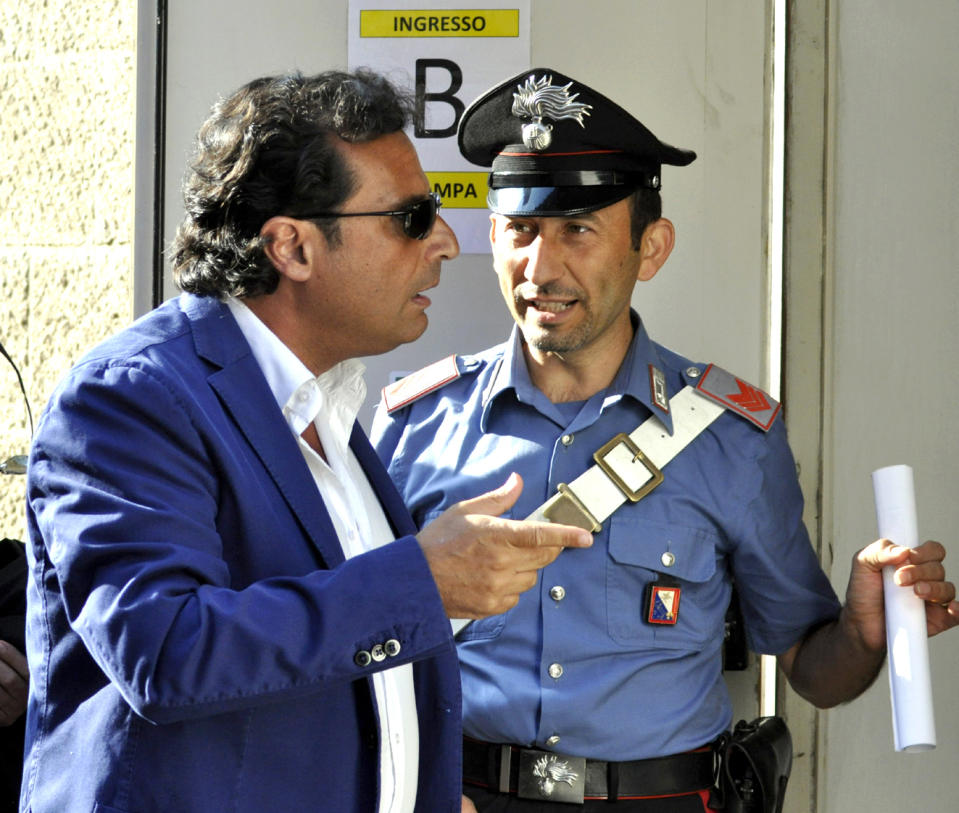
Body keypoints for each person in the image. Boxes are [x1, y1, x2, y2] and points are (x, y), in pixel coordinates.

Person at [371, 68, 959, 812]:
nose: (540, 268)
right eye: (521, 230)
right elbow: (350, 643)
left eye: (578, 231)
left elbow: (812, 667)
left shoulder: (732, 438)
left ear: (650, 248)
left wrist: (863, 629)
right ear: (493, 235)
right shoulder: (412, 425)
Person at [21, 70, 593, 813]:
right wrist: (423, 579)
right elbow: (164, 648)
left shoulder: (329, 402)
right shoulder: (132, 397)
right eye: (412, 217)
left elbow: (338, 673)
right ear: (291, 247)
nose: (446, 244)